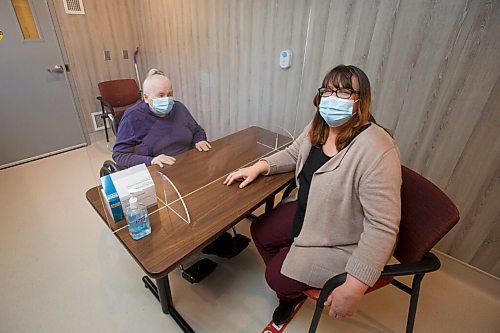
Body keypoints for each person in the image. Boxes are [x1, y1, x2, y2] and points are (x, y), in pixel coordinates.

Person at [224, 65, 401, 325]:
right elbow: (294, 153)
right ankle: (291, 278)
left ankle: (288, 291)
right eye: (328, 90)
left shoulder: (377, 149)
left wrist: (354, 287)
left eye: (344, 92)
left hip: (341, 236)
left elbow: (382, 227)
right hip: (311, 210)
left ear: (360, 100)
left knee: (274, 277)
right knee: (259, 230)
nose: (332, 98)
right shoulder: (319, 124)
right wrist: (258, 167)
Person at [112, 69, 211, 168]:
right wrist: (151, 161)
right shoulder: (133, 117)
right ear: (146, 98)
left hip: (187, 162)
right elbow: (119, 155)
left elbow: (197, 130)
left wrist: (199, 140)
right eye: (161, 95)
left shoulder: (178, 107)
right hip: (157, 169)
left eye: (170, 94)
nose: (167, 99)